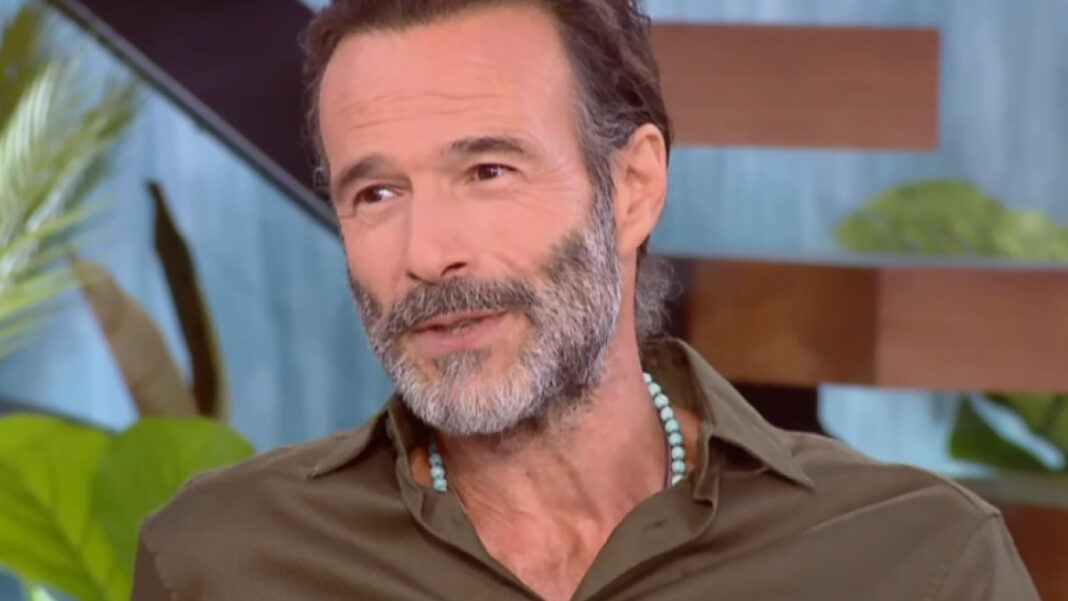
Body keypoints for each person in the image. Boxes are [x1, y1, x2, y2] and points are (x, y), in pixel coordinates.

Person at [131, 1, 1040, 600]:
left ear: (634, 188)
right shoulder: (222, 561)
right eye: (376, 193)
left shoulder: (919, 560)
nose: (427, 253)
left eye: (488, 171)